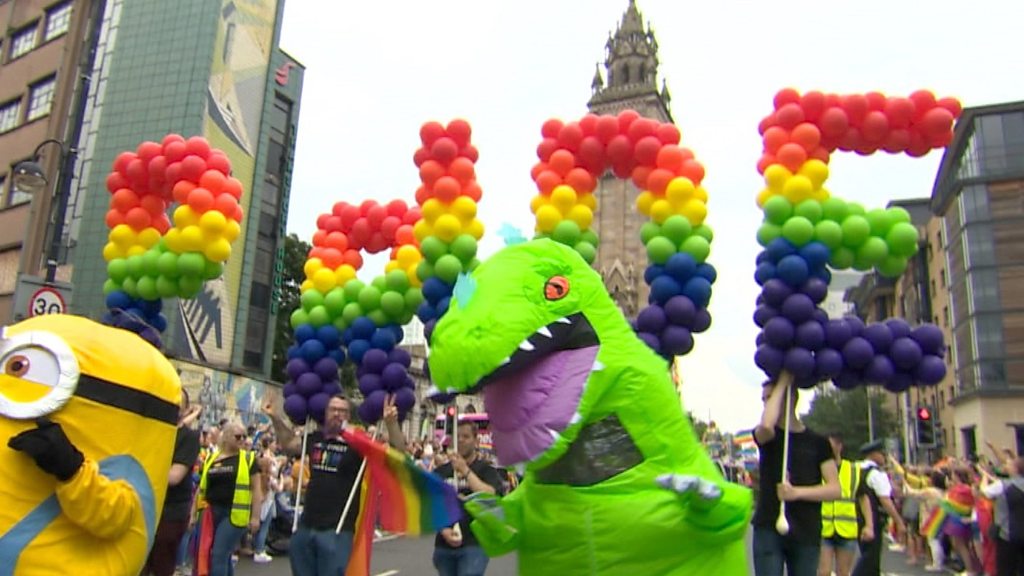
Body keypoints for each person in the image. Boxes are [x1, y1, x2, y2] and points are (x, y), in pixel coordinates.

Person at [266, 394, 406, 576]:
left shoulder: (360, 442)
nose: (337, 414)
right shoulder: (316, 438)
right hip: (306, 526)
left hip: (338, 530)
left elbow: (398, 454)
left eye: (343, 411)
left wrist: (391, 423)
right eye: (333, 409)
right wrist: (275, 417)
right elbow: (290, 445)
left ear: (349, 416)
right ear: (325, 413)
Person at [752, 372, 840, 576]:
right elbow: (766, 424)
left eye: (770, 398)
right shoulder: (766, 436)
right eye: (764, 399)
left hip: (806, 530)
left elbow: (835, 489)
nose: (767, 403)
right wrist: (783, 380)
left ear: (790, 398)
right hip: (768, 527)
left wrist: (797, 493)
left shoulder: (818, 443)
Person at [433, 421, 504, 576]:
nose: (461, 440)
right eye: (458, 436)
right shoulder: (441, 471)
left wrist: (465, 470)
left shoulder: (486, 470)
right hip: (444, 546)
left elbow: (490, 496)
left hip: (474, 544)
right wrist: (444, 530)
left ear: (476, 440)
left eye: (466, 436)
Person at [144, 392, 202, 576]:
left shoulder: (188, 437)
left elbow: (174, 477)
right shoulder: (151, 431)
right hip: (145, 507)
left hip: (170, 512)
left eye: (178, 404)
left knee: (161, 564)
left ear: (185, 410)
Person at [195, 421, 263, 576]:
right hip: (210, 512)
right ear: (226, 437)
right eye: (238, 436)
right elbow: (202, 487)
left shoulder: (248, 459)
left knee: (218, 555)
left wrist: (255, 517)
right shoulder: (211, 458)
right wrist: (194, 514)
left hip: (234, 515)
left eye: (244, 437)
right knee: (223, 556)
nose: (243, 440)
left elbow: (256, 489)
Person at [851, 440, 906, 576]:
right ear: (874, 454)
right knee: (870, 558)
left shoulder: (854, 469)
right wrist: (899, 522)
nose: (884, 457)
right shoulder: (877, 474)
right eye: (882, 454)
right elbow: (885, 501)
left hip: (851, 517)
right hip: (873, 519)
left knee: (867, 556)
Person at [818, 432, 867, 576]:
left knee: (843, 573)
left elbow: (863, 498)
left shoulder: (853, 470)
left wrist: (869, 525)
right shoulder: (817, 469)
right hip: (823, 528)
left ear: (839, 446)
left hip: (847, 529)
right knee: (824, 572)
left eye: (831, 446)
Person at [252, 435, 281, 564]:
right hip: (267, 498)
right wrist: (281, 481)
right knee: (264, 525)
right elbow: (277, 486)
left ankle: (257, 548)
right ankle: (259, 550)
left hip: (265, 498)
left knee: (260, 524)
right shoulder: (267, 464)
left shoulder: (261, 458)